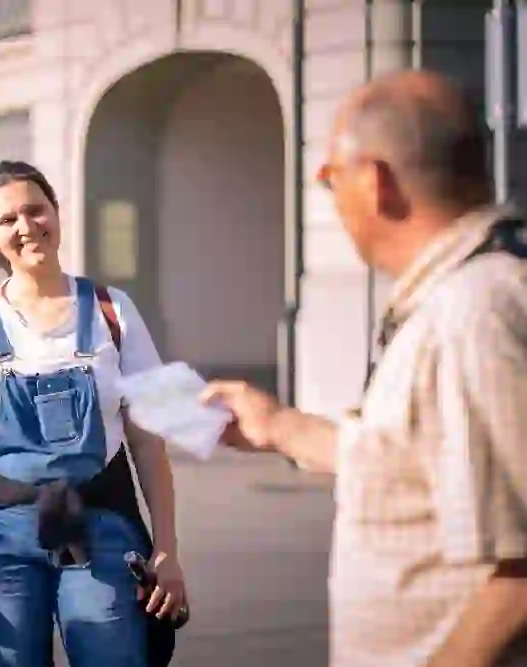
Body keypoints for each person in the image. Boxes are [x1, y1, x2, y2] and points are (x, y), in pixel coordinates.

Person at [202, 70, 527, 667]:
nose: (329, 194)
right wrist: (277, 426)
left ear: (375, 181)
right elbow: (400, 458)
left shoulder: (472, 315)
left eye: (330, 176)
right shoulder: (454, 297)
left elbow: (520, 575)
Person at [0, 160, 188, 667]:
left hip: (100, 529)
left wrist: (166, 550)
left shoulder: (113, 310)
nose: (26, 227)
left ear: (56, 213)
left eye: (36, 210)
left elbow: (149, 443)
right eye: (8, 220)